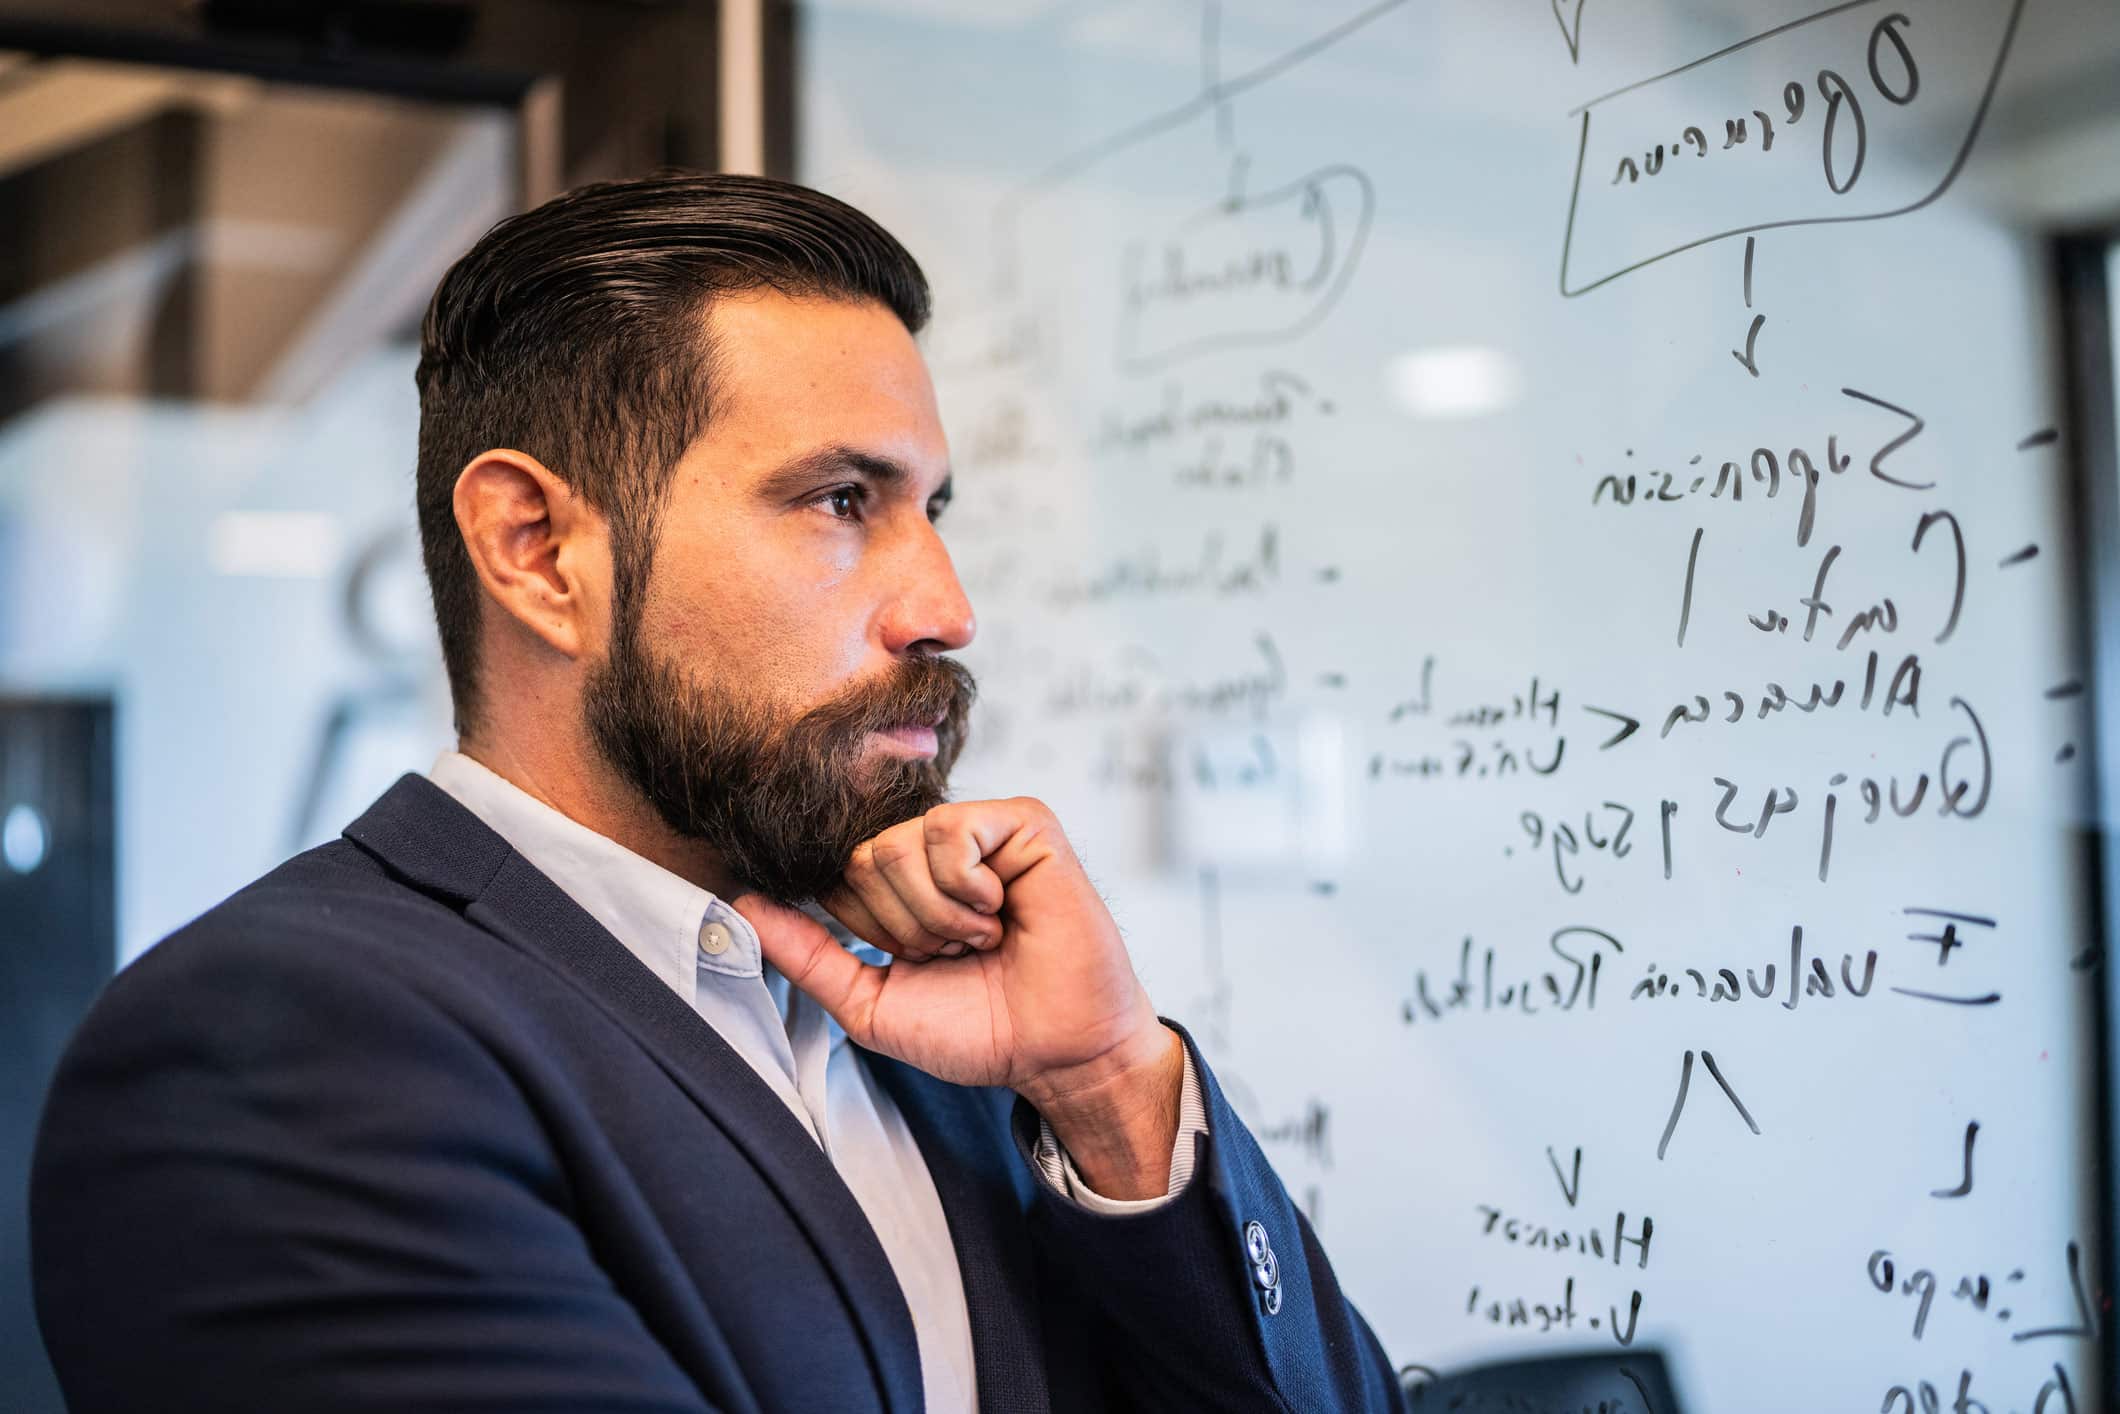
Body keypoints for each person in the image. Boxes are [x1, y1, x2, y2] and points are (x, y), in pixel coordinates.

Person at [30, 171, 1404, 1413]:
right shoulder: (274, 1052)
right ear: (539, 551)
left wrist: (1106, 1084)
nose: (948, 606)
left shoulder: (946, 1024)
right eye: (840, 502)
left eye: (934, 509)